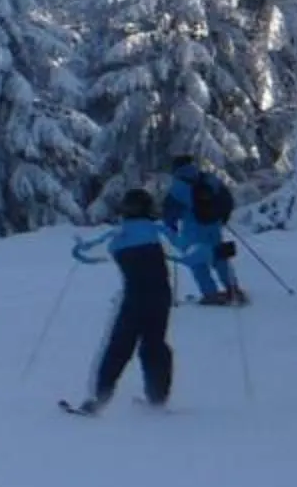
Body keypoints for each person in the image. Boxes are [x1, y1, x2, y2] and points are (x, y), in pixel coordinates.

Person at [66, 187, 175, 413]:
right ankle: (158, 399)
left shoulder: (119, 234)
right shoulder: (158, 230)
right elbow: (185, 250)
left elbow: (87, 254)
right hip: (160, 296)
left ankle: (99, 398)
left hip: (135, 297)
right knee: (154, 345)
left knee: (120, 346)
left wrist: (78, 249)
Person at [163, 154, 244, 306]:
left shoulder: (177, 187)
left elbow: (169, 214)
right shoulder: (209, 179)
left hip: (192, 231)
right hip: (213, 227)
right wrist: (222, 218)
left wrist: (171, 229)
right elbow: (227, 199)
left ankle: (210, 293)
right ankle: (233, 288)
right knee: (219, 256)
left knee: (197, 262)